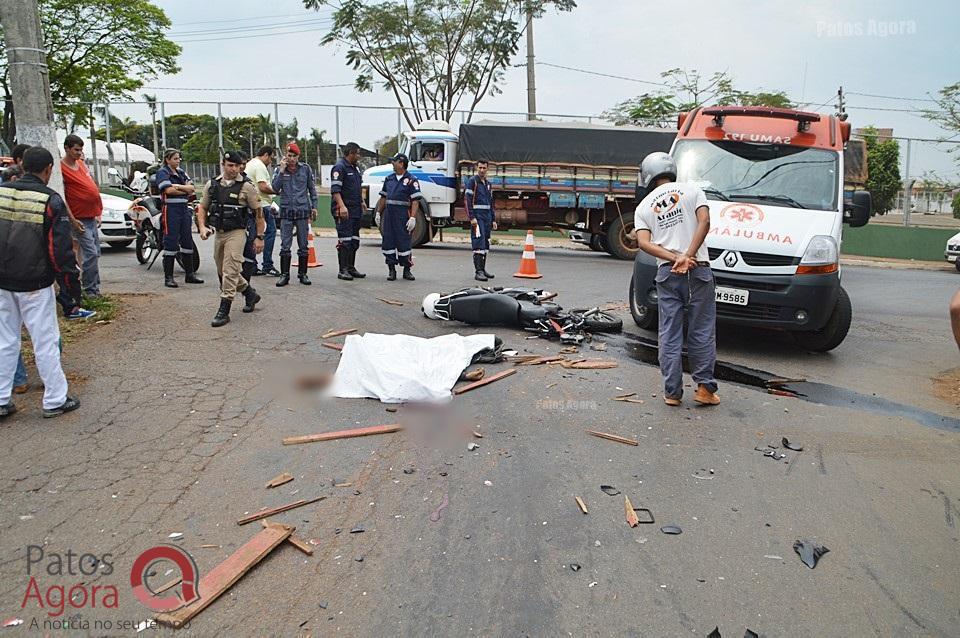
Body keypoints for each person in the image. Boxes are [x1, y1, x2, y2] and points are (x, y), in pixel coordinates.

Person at [0, 146, 82, 419]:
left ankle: (1, 399)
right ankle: (55, 400)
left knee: (5, 341)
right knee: (45, 341)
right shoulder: (49, 200)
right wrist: (70, 288)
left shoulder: (1, 191)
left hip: (2, 283)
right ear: (48, 170)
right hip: (34, 283)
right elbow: (60, 251)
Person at [634, 151, 719, 407]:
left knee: (669, 332)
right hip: (698, 270)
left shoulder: (643, 207)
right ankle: (704, 390)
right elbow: (705, 222)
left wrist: (674, 258)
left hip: (667, 274)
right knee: (701, 330)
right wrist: (688, 256)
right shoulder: (693, 191)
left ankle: (672, 392)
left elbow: (643, 243)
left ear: (648, 175)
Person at [196, 151, 265, 327]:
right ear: (223, 164)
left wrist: (259, 237)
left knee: (230, 269)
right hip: (219, 233)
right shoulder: (212, 185)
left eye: (237, 166)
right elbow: (202, 208)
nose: (234, 169)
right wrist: (202, 227)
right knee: (222, 269)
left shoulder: (247, 187)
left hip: (237, 232)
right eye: (230, 165)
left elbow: (258, 213)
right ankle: (250, 294)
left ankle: (224, 310)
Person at [61, 134, 104, 298]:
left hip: (91, 216)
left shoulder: (81, 164)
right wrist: (72, 219)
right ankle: (89, 289)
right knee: (90, 253)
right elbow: (63, 197)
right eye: (76, 150)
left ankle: (95, 287)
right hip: (78, 219)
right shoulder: (62, 168)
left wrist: (98, 212)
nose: (79, 153)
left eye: (81, 150)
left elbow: (92, 186)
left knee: (96, 253)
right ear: (67, 148)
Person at [155, 148, 203, 288]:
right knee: (171, 241)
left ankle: (190, 274)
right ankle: (168, 277)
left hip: (184, 208)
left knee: (187, 240)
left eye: (179, 158)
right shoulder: (163, 172)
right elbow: (168, 190)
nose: (178, 160)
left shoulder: (181, 172)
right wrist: (184, 188)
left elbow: (192, 188)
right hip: (170, 209)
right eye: (175, 158)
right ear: (167, 159)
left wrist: (178, 186)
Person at [271, 142, 317, 286]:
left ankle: (303, 274)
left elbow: (312, 189)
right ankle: (285, 274)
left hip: (302, 211)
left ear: (298, 157)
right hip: (286, 212)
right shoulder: (279, 170)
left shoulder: (305, 169)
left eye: (294, 156)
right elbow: (275, 188)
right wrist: (282, 171)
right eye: (289, 155)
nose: (291, 158)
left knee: (303, 245)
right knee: (285, 245)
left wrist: (314, 206)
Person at [374, 153, 421, 281]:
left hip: (403, 216)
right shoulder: (389, 179)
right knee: (388, 242)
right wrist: (378, 212)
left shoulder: (412, 180)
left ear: (401, 163)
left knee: (404, 242)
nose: (392, 164)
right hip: (389, 216)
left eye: (394, 161)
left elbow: (415, 201)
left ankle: (407, 270)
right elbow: (383, 197)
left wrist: (413, 217)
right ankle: (391, 270)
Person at [331, 142, 366, 281]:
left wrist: (362, 202)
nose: (359, 156)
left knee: (354, 241)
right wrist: (342, 206)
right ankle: (343, 269)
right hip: (344, 210)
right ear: (350, 153)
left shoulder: (355, 168)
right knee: (345, 241)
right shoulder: (340, 168)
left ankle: (351, 267)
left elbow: (357, 187)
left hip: (355, 209)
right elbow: (335, 190)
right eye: (357, 153)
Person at [244, 146, 280, 276]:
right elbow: (262, 186)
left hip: (253, 204)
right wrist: (277, 191)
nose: (271, 161)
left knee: (253, 234)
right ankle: (267, 264)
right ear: (265, 154)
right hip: (262, 204)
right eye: (271, 157)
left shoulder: (251, 163)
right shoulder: (259, 166)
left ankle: (252, 265)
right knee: (270, 231)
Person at [465, 160, 497, 281]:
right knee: (478, 242)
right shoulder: (473, 182)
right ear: (476, 168)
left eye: (484, 168)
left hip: (487, 217)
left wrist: (493, 219)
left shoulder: (488, 184)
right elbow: (467, 201)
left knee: (485, 242)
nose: (482, 170)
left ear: (487, 169)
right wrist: (472, 217)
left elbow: (491, 203)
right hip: (477, 217)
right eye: (480, 168)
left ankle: (483, 269)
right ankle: (478, 271)